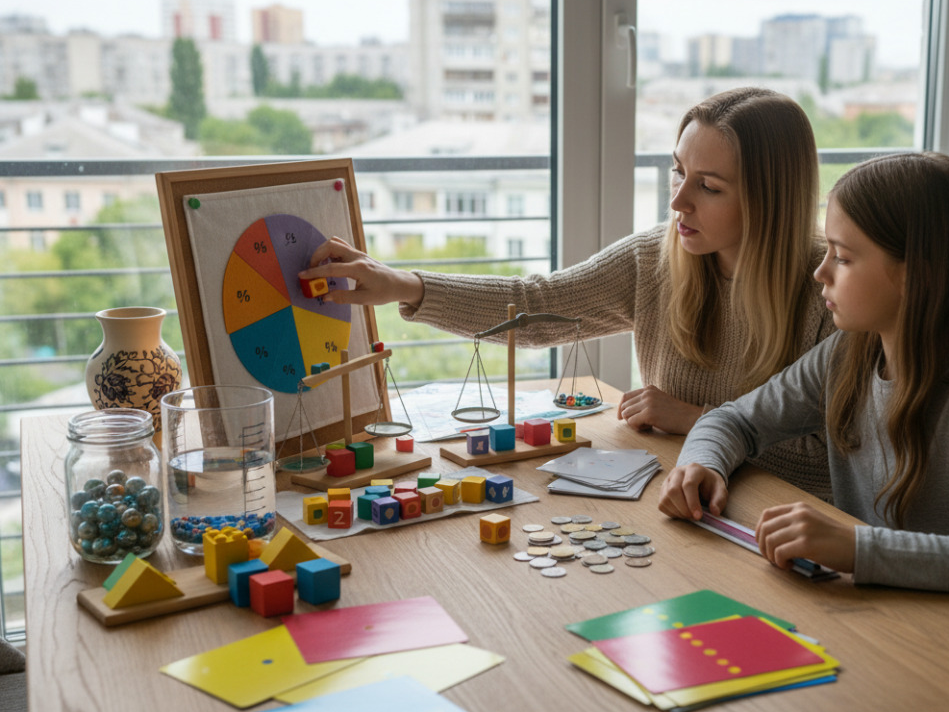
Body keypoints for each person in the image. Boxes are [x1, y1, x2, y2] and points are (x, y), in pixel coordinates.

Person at [301, 87, 838, 492]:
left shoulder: (830, 291)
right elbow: (537, 306)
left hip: (773, 520)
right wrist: (404, 284)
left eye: (709, 186)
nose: (678, 202)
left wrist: (695, 419)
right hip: (682, 501)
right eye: (678, 173)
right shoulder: (656, 256)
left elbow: (833, 466)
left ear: (770, 198)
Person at [657, 151, 949, 616]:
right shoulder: (849, 356)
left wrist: (860, 548)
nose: (821, 272)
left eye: (841, 257)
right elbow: (734, 420)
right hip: (889, 617)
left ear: (912, 275)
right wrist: (704, 464)